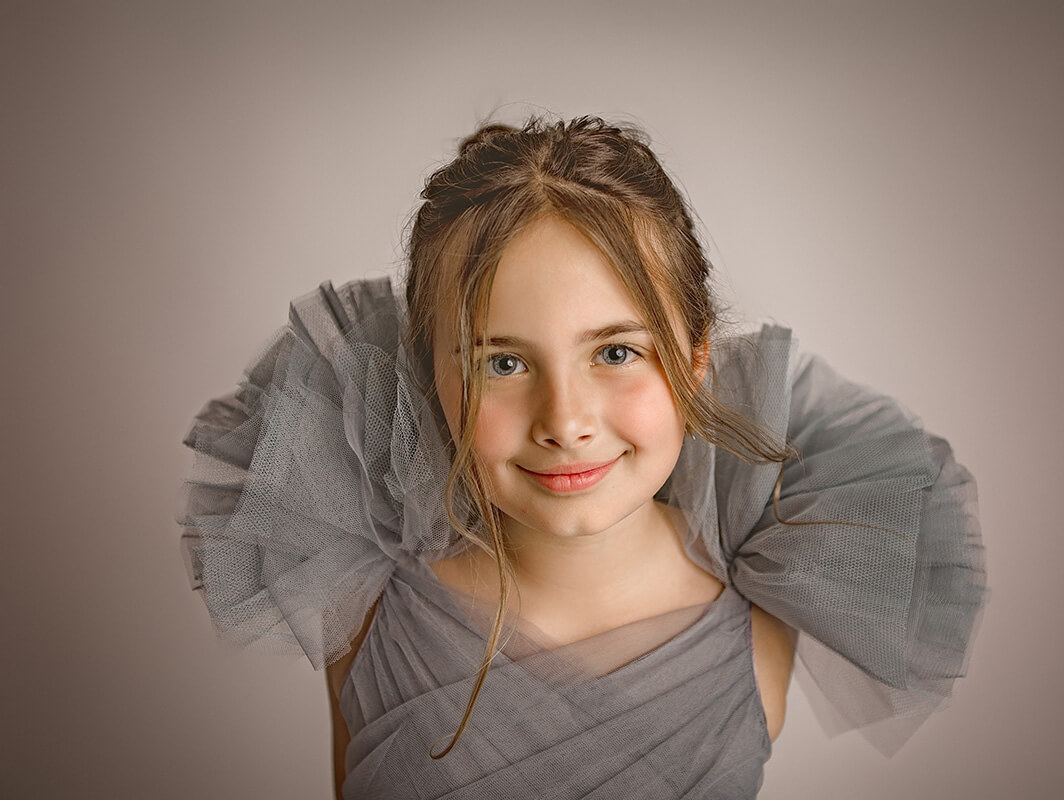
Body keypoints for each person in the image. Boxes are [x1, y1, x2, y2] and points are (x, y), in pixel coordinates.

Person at [178, 116, 987, 799]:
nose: (565, 422)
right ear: (434, 378)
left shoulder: (772, 606)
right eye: (503, 362)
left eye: (616, 353)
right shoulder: (364, 605)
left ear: (697, 358)